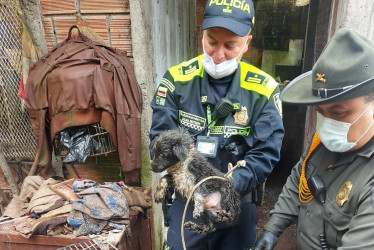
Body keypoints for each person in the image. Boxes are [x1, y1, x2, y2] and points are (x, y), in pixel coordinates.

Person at [149, 0, 284, 249]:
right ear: (202, 35)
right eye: (212, 42)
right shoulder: (176, 80)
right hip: (187, 202)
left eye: (230, 45)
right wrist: (195, 189)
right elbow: (159, 141)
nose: (219, 55)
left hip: (236, 205)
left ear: (247, 42)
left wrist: (225, 189)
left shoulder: (264, 90)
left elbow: (266, 153)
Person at [254, 28, 374, 250]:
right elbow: (299, 178)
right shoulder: (325, 140)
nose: (327, 123)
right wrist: (273, 228)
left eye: (338, 112)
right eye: (320, 111)